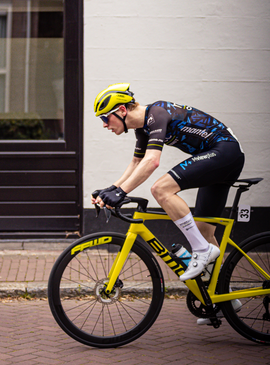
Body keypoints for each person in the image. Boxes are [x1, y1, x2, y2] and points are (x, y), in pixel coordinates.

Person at [92, 83, 245, 284]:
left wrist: (121, 192)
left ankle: (201, 250)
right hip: (218, 159)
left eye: (105, 117)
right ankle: (223, 297)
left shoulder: (157, 113)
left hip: (225, 152)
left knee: (161, 188)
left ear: (121, 110)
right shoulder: (143, 128)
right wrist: (111, 189)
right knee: (204, 231)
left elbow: (152, 161)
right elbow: (137, 163)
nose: (104, 124)